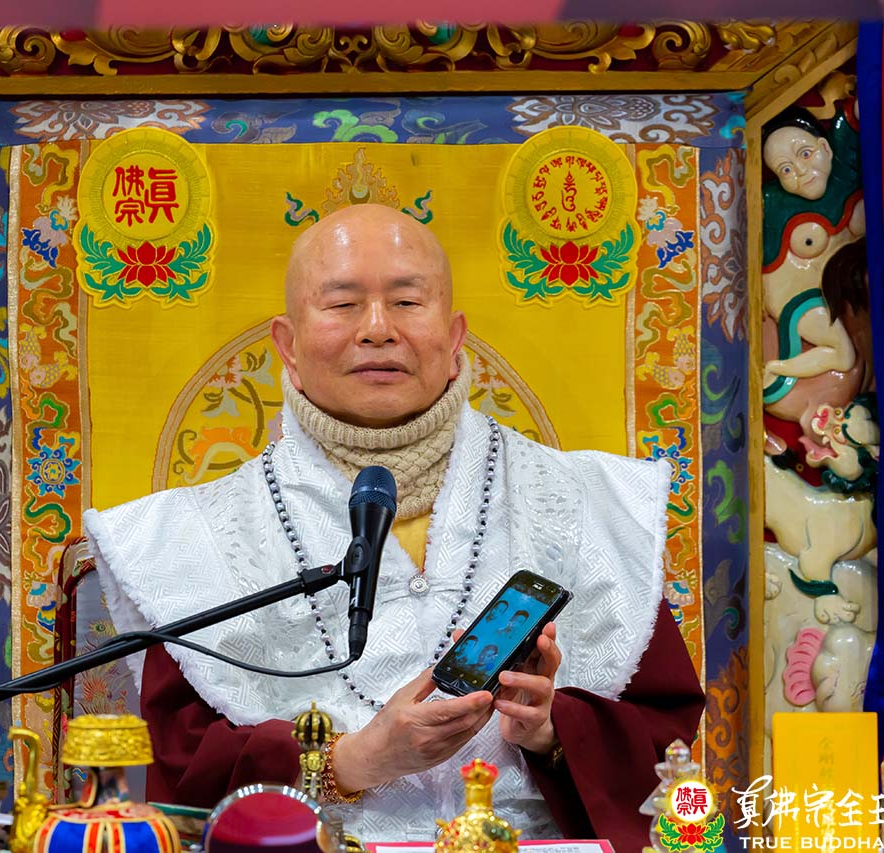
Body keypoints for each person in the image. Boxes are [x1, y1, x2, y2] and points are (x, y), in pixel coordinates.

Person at [85, 204, 704, 848]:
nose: (378, 330)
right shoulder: (186, 540)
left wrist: (551, 734)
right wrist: (351, 762)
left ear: (455, 335)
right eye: (343, 304)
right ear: (287, 344)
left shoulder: (591, 503)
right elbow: (182, 771)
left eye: (407, 302)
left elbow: (665, 742)